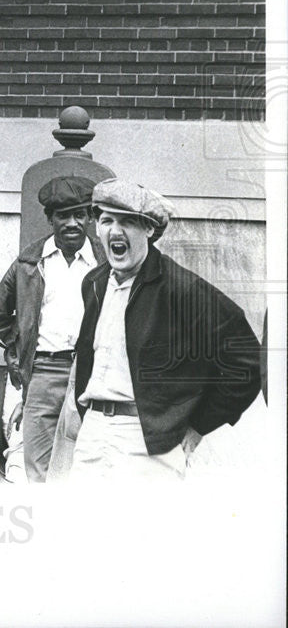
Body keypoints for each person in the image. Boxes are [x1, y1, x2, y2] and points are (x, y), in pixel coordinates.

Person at [71, 178, 262, 480]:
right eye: (107, 220)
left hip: (148, 442)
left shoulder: (181, 288)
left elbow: (247, 359)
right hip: (91, 435)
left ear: (149, 230)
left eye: (129, 222)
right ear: (96, 227)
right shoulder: (94, 283)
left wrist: (199, 424)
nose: (115, 231)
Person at [0, 176, 105, 482]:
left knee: (84, 459)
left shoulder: (103, 261)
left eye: (80, 214)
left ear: (90, 217)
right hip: (43, 371)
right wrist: (20, 341)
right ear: (49, 218)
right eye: (63, 216)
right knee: (36, 463)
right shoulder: (29, 262)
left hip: (89, 372)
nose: (72, 224)